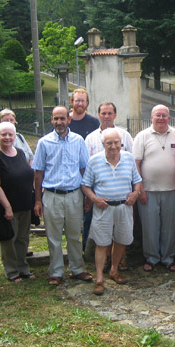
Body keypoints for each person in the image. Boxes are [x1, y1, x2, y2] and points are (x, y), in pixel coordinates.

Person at [32, 105, 92, 285]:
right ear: (51, 120)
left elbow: (84, 169)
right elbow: (38, 173)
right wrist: (37, 200)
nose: (59, 122)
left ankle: (77, 269)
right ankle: (56, 271)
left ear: (69, 120)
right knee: (53, 236)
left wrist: (87, 195)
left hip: (74, 194)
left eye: (62, 118)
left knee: (75, 234)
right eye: (55, 119)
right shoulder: (44, 142)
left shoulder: (79, 141)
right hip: (52, 195)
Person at [82, 128, 142, 295]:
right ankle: (99, 278)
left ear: (121, 143)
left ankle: (114, 270)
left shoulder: (129, 159)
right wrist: (95, 199)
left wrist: (135, 193)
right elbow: (85, 185)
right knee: (101, 243)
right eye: (109, 143)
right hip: (104, 208)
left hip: (124, 207)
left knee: (121, 240)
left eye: (117, 142)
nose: (114, 146)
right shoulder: (94, 161)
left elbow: (137, 181)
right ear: (103, 144)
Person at [133, 104, 175, 272]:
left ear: (169, 118)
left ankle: (168, 257)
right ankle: (152, 257)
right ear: (152, 118)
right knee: (150, 226)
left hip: (171, 189)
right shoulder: (142, 136)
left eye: (164, 115)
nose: (161, 118)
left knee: (170, 226)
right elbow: (136, 164)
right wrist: (140, 189)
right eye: (157, 115)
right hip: (149, 190)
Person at [84, 102, 134, 270]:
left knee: (121, 233)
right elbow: (87, 167)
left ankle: (119, 261)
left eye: (109, 113)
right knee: (102, 234)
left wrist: (136, 191)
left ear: (115, 115)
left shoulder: (125, 135)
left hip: (121, 195)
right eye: (103, 113)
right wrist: (91, 197)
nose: (106, 116)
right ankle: (103, 263)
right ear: (98, 115)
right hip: (100, 193)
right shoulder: (91, 138)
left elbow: (132, 165)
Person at [0, 122, 35, 283]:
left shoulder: (21, 153)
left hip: (25, 204)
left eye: (11, 134)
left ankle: (23, 267)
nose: (8, 137)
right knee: (9, 238)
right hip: (8, 206)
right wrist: (7, 207)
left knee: (23, 238)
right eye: (4, 134)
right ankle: (12, 271)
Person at [68, 88, 100, 254]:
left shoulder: (94, 122)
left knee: (88, 213)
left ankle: (86, 247)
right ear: (71, 102)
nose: (79, 103)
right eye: (77, 100)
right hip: (70, 175)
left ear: (87, 103)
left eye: (82, 100)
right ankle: (72, 248)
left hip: (88, 174)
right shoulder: (66, 121)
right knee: (72, 215)